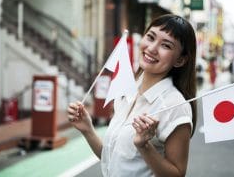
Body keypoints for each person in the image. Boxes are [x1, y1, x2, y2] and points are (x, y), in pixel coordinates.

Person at [67, 14, 197, 177]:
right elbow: (113, 160)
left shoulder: (175, 106)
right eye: (150, 37)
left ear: (180, 60)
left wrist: (144, 146)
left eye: (166, 45)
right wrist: (88, 130)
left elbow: (177, 174)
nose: (152, 48)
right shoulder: (128, 89)